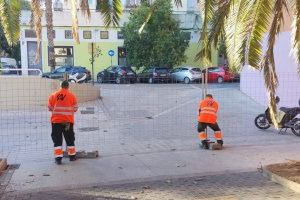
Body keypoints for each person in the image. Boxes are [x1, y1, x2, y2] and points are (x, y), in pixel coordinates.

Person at [48, 80, 78, 164]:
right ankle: (72, 156)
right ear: (68, 87)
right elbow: (75, 108)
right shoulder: (72, 96)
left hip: (56, 122)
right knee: (69, 138)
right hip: (67, 122)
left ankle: (58, 159)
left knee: (57, 139)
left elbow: (50, 108)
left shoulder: (53, 95)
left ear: (60, 86)